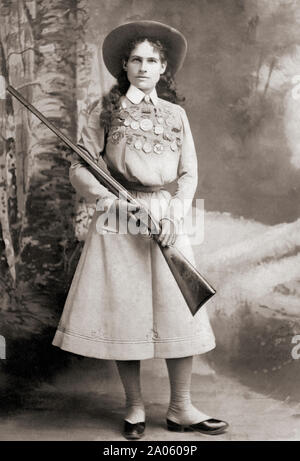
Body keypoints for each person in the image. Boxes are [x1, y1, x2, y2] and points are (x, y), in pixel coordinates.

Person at [52, 20, 228, 440]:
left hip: (166, 215)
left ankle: (181, 408)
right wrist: (112, 202)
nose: (144, 67)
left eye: (152, 60)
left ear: (163, 67)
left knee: (178, 308)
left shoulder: (176, 114)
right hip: (118, 215)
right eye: (136, 59)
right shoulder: (104, 111)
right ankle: (133, 407)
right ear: (124, 66)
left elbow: (188, 174)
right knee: (125, 310)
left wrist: (175, 215)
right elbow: (79, 168)